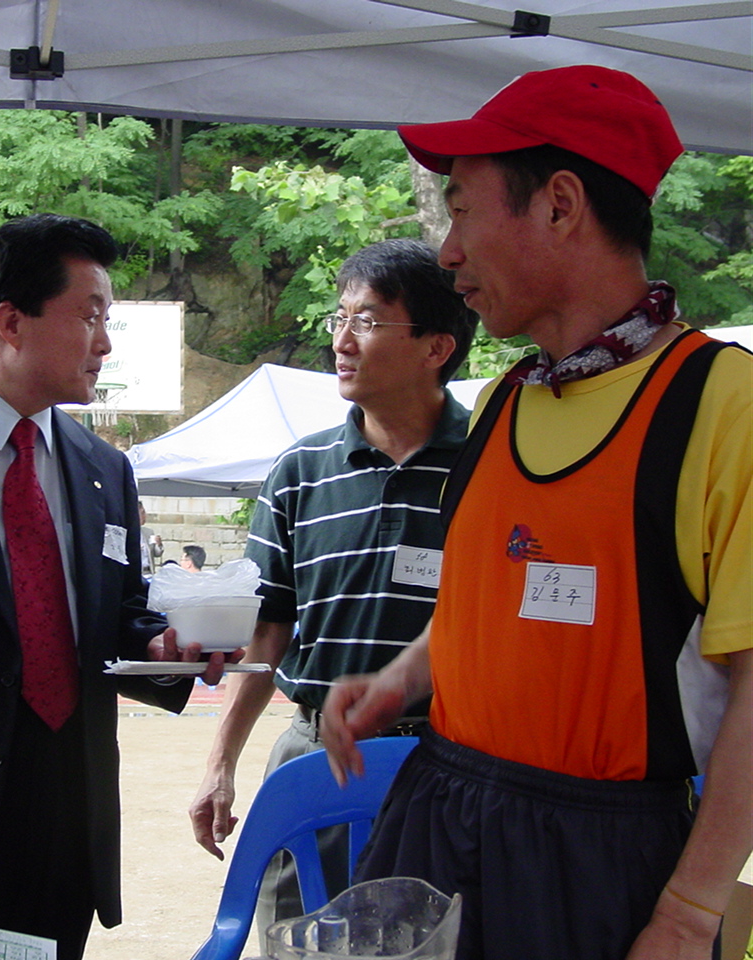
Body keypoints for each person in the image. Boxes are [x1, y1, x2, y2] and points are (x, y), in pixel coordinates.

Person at [320, 65, 752, 960]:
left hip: (602, 860)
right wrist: (401, 680)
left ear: (560, 205)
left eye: (462, 212)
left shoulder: (721, 403)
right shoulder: (503, 401)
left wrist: (689, 912)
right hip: (441, 816)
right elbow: (493, 603)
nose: (447, 253)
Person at [0, 213, 233, 960]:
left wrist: (166, 649)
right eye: (91, 317)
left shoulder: (104, 468)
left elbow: (116, 616)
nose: (106, 343)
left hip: (67, 822)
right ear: (11, 322)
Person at [190, 239, 475, 932]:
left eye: (368, 322)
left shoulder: (490, 462)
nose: (342, 342)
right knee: (298, 939)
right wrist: (220, 762)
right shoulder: (301, 470)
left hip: (449, 769)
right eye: (339, 318)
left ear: (437, 347)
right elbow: (269, 630)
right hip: (315, 757)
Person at [139, 500, 164, 576]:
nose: (145, 516)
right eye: (142, 513)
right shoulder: (127, 533)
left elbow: (157, 553)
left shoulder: (148, 532)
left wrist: (158, 544)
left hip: (149, 572)